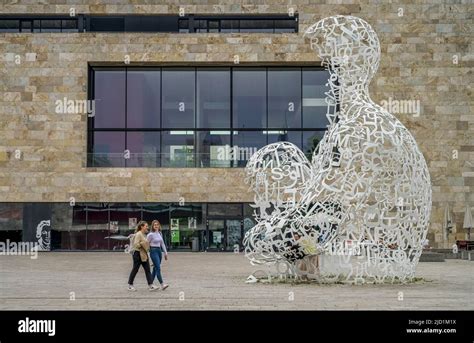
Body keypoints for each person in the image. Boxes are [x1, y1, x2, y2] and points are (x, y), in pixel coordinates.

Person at [127, 221, 159, 292]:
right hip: (137, 254)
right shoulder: (139, 234)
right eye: (146, 226)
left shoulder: (143, 234)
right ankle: (130, 285)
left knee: (147, 270)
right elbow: (136, 244)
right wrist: (144, 244)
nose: (147, 227)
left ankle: (151, 285)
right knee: (135, 269)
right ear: (142, 227)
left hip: (143, 254)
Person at [147, 220, 169, 290]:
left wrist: (165, 253)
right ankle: (162, 284)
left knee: (155, 269)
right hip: (153, 251)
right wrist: (148, 256)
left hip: (159, 251)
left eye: (157, 224)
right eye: (154, 225)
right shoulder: (150, 234)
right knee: (158, 268)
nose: (156, 226)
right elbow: (146, 245)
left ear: (159, 225)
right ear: (152, 226)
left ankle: (151, 285)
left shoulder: (159, 233)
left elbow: (162, 243)